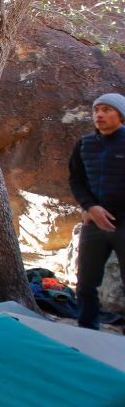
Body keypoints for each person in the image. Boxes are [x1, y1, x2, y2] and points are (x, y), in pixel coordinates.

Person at [68, 92, 125, 329]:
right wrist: (91, 207)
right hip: (94, 222)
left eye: (106, 110)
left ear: (120, 115)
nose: (99, 115)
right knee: (86, 283)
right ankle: (87, 331)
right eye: (96, 110)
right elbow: (76, 180)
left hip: (123, 222)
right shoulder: (85, 144)